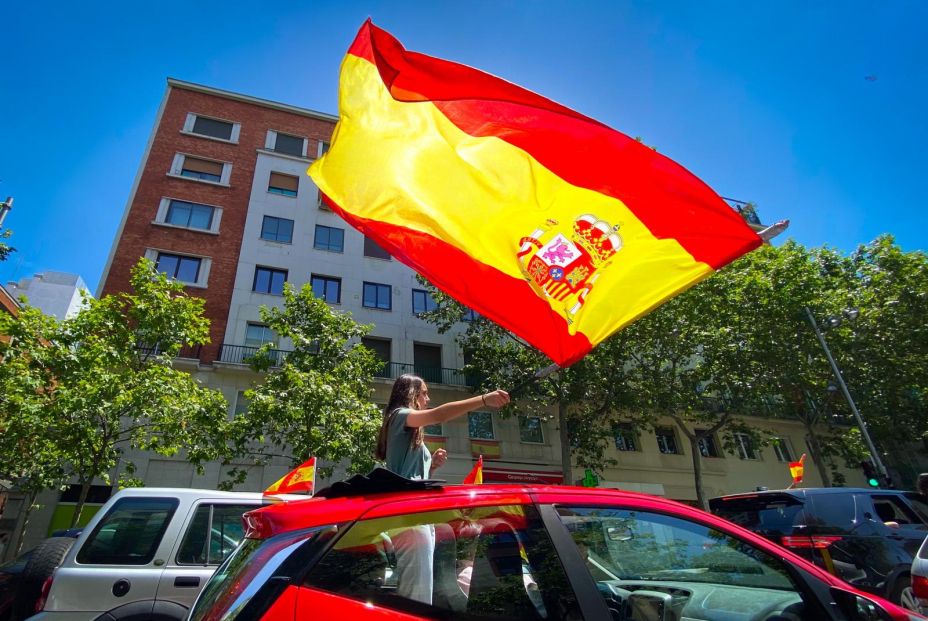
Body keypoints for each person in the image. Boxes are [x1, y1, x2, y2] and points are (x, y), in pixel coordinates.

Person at [374, 374, 509, 605]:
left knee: (420, 592)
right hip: (410, 518)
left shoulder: (407, 429)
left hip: (416, 515)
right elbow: (438, 415)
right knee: (417, 597)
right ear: (412, 395)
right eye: (424, 393)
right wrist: (483, 400)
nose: (428, 398)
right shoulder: (400, 416)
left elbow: (412, 478)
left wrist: (432, 467)